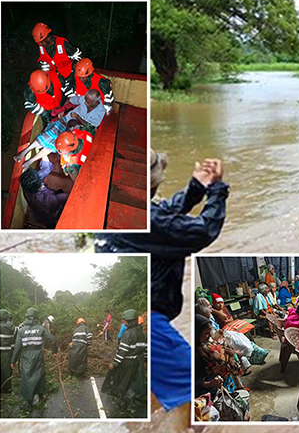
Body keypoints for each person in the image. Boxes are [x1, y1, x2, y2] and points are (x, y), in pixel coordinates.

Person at [96, 151, 227, 414]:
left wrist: (197, 185)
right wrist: (216, 190)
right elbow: (202, 230)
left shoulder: (120, 212)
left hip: (152, 324)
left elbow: (166, 211)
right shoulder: (154, 222)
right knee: (189, 387)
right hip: (156, 323)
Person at [11, 307, 57, 410]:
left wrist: (13, 361)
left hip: (27, 355)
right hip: (38, 354)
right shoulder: (41, 329)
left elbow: (17, 347)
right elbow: (53, 340)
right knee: (40, 375)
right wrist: (54, 352)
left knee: (27, 377)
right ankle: (41, 398)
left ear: (26, 317)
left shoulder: (21, 330)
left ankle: (29, 404)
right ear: (36, 317)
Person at [103, 310, 147, 412]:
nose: (124, 323)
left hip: (127, 363)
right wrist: (144, 361)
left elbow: (123, 351)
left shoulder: (128, 334)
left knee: (124, 381)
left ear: (130, 321)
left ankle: (129, 403)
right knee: (135, 381)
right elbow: (144, 351)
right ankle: (136, 399)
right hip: (137, 362)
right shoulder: (143, 334)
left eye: (125, 321)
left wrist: (114, 363)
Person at [33, 21, 82, 94]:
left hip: (70, 75)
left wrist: (73, 70)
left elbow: (77, 56)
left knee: (73, 94)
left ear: (48, 38)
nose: (40, 44)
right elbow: (45, 65)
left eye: (41, 42)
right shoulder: (41, 48)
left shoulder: (62, 43)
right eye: (39, 42)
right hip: (56, 78)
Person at [18, 162, 68, 229]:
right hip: (50, 214)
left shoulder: (27, 187)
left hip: (38, 215)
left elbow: (46, 168)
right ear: (39, 182)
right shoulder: (48, 199)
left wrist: (44, 152)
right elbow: (67, 196)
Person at [0, 310, 16, 394]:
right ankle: (6, 387)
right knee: (6, 369)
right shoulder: (10, 327)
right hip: (6, 351)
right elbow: (16, 331)